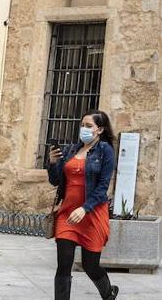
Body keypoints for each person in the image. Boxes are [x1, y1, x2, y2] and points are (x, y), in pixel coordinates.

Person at [47, 111, 118, 300]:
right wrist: (53, 163)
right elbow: (56, 181)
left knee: (90, 266)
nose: (84, 129)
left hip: (92, 214)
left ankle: (108, 294)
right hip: (68, 214)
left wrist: (84, 208)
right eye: (82, 125)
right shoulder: (71, 150)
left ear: (100, 129)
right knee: (63, 264)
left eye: (89, 126)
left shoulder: (105, 151)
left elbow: (102, 187)